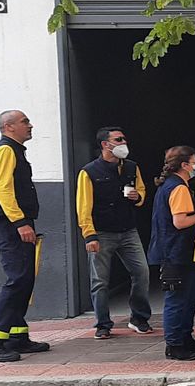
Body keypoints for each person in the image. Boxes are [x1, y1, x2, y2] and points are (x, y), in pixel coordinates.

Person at [0, 110, 50, 362]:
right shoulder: (5, 150)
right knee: (18, 279)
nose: (30, 125)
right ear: (8, 127)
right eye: (24, 121)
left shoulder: (15, 150)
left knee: (24, 279)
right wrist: (19, 222)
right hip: (10, 225)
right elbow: (3, 189)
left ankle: (17, 336)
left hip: (15, 223)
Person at [75, 126, 153, 340]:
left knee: (142, 272)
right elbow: (83, 206)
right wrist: (89, 235)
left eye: (124, 139)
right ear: (105, 144)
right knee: (99, 280)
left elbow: (141, 190)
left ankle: (139, 317)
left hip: (128, 230)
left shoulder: (131, 167)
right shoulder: (89, 172)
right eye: (118, 140)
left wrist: (138, 197)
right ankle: (102, 324)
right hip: (102, 232)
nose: (123, 143)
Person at [148, 146, 195, 361]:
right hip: (175, 252)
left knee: (191, 296)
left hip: (180, 251)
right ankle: (175, 344)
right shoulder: (178, 188)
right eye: (194, 162)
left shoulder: (171, 185)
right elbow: (180, 221)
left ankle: (186, 337)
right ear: (184, 165)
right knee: (177, 299)